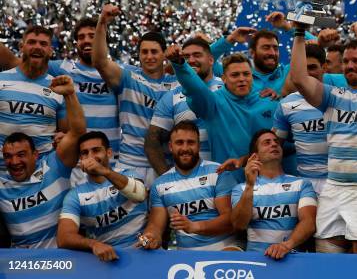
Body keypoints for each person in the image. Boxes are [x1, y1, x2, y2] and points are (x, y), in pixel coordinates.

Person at [290, 21, 357, 254]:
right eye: (347, 61)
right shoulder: (333, 96)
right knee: (327, 268)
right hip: (334, 188)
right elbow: (299, 79)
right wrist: (299, 32)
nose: (350, 65)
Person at [92, 3, 178, 186]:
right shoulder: (129, 76)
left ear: (164, 55)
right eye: (144, 52)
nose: (149, 56)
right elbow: (99, 61)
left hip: (166, 165)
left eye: (154, 52)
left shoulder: (176, 83)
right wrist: (102, 22)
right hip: (130, 165)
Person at [0, 75, 85, 248]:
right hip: (22, 267)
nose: (14, 161)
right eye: (8, 156)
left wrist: (70, 94)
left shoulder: (54, 166)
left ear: (35, 155)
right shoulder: (1, 185)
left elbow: (77, 132)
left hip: (64, 263)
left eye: (21, 154)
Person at [139, 121, 239, 250]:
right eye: (179, 142)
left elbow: (231, 221)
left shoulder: (218, 172)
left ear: (198, 146)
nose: (185, 148)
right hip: (185, 260)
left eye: (191, 142)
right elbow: (155, 227)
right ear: (170, 146)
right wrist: (149, 238)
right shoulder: (160, 184)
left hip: (224, 250)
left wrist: (194, 227)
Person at [169, 46, 278, 163]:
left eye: (246, 74)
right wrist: (180, 64)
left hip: (268, 179)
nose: (242, 79)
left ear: (252, 76)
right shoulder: (213, 103)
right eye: (235, 75)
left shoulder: (269, 102)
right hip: (229, 178)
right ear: (224, 79)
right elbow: (196, 88)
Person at [57, 131, 148, 261]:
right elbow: (63, 238)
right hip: (109, 259)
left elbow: (140, 195)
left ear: (109, 153)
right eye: (85, 153)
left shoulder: (129, 174)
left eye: (96, 150)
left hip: (143, 252)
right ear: (80, 159)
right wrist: (93, 244)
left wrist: (104, 171)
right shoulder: (75, 195)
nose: (90, 157)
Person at [231, 129, 317, 258]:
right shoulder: (241, 189)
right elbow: (239, 224)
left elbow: (309, 222)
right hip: (254, 261)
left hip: (291, 259)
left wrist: (285, 246)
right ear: (255, 156)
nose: (274, 144)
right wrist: (250, 186)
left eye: (276, 142)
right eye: (267, 142)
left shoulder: (302, 184)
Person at [146, 37, 223, 175]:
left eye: (197, 55)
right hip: (189, 185)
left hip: (226, 176)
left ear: (211, 60)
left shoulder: (228, 88)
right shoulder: (171, 97)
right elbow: (152, 142)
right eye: (186, 57)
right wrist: (167, 179)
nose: (191, 60)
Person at [0, 26, 68, 170]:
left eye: (43, 44)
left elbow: (65, 133)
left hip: (43, 174)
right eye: (31, 42)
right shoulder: (1, 80)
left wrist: (63, 138)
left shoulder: (58, 88)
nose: (37, 47)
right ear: (21, 46)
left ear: (51, 50)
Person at [273, 44, 328, 194]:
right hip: (307, 185)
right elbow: (275, 146)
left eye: (312, 67)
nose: (307, 73)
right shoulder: (286, 104)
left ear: (324, 67)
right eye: (303, 68)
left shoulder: (342, 98)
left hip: (342, 184)